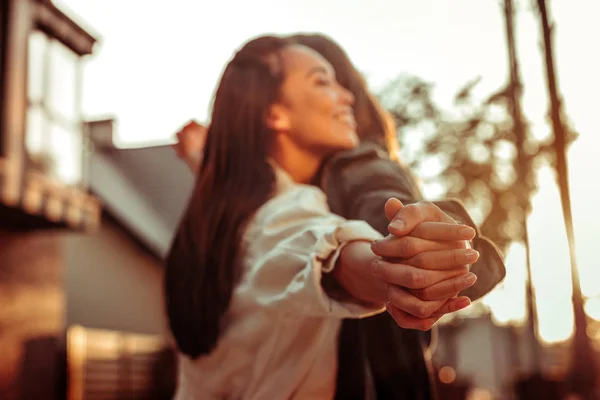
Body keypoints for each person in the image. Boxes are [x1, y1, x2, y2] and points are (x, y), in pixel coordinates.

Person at [173, 33, 506, 399]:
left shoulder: (216, 221)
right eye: (322, 81)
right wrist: (399, 267)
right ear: (274, 112)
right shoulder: (284, 213)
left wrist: (198, 155)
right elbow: (330, 251)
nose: (346, 96)